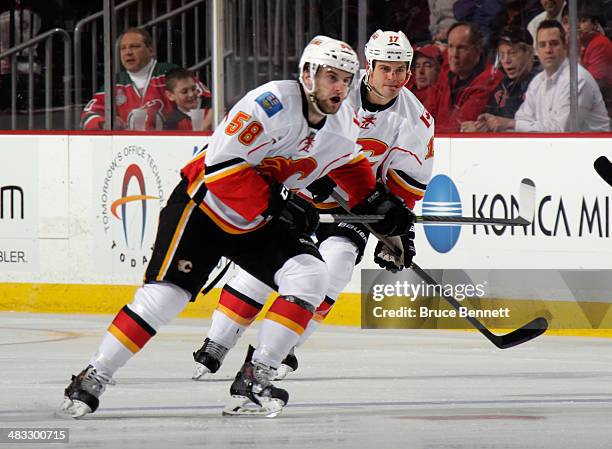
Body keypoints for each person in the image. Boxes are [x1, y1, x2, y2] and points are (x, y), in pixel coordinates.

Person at [60, 35, 416, 419]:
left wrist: (381, 211)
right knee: (167, 297)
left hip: (259, 216)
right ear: (308, 74)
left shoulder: (341, 120)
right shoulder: (271, 103)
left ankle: (256, 376)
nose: (340, 87)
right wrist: (276, 209)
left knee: (310, 274)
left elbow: (349, 164)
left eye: (346, 79)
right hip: (205, 207)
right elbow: (222, 169)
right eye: (331, 76)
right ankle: (93, 375)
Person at [191, 30, 434, 381]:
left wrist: (397, 232)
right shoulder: (336, 90)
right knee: (264, 268)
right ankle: (217, 340)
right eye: (386, 69)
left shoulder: (417, 120)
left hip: (352, 205)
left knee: (336, 266)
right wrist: (310, 159)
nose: (394, 78)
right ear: (369, 66)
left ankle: (281, 346)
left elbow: (404, 187)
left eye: (401, 70)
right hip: (296, 195)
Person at [80, 27, 212, 131]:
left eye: (134, 46)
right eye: (123, 48)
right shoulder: (115, 83)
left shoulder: (168, 72)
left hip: (172, 144)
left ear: (151, 50)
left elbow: (210, 101)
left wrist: (203, 127)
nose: (128, 52)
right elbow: (87, 116)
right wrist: (105, 123)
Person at [514, 20, 609, 132]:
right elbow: (522, 118)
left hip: (591, 148)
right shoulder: (537, 81)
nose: (548, 50)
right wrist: (519, 125)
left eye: (554, 43)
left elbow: (562, 131)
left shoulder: (577, 79)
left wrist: (514, 125)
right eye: (542, 45)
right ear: (537, 50)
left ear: (565, 46)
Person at [426, 22, 503, 132]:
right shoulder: (446, 72)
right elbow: (427, 112)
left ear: (477, 49)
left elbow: (458, 127)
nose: (454, 54)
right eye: (451, 46)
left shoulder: (489, 79)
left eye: (461, 48)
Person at [460, 27, 535, 132]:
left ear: (528, 53)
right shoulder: (502, 85)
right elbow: (491, 118)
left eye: (512, 53)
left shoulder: (538, 84)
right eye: (502, 55)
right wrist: (479, 126)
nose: (506, 61)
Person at [561, 5, 612, 118]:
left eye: (583, 21)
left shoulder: (600, 44)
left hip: (601, 110)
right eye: (567, 22)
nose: (576, 26)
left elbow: (593, 86)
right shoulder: (573, 45)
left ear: (595, 25)